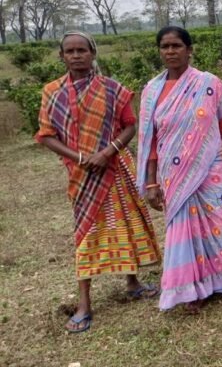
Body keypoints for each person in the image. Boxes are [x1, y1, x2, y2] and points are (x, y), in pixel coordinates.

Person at [36, 31, 160, 333]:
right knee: (86, 232)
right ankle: (84, 303)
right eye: (70, 51)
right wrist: (81, 158)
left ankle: (133, 282)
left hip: (115, 167)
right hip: (82, 175)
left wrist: (106, 152)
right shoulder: (52, 92)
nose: (76, 55)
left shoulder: (113, 89)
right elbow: (46, 135)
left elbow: (129, 126)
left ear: (92, 53)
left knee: (125, 223)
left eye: (82, 50)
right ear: (62, 56)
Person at [136, 26, 222, 311]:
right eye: (165, 46)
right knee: (187, 230)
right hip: (173, 173)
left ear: (189, 50)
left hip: (210, 169)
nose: (170, 51)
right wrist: (152, 182)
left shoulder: (209, 83)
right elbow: (150, 140)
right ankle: (197, 285)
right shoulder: (151, 91)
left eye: (177, 45)